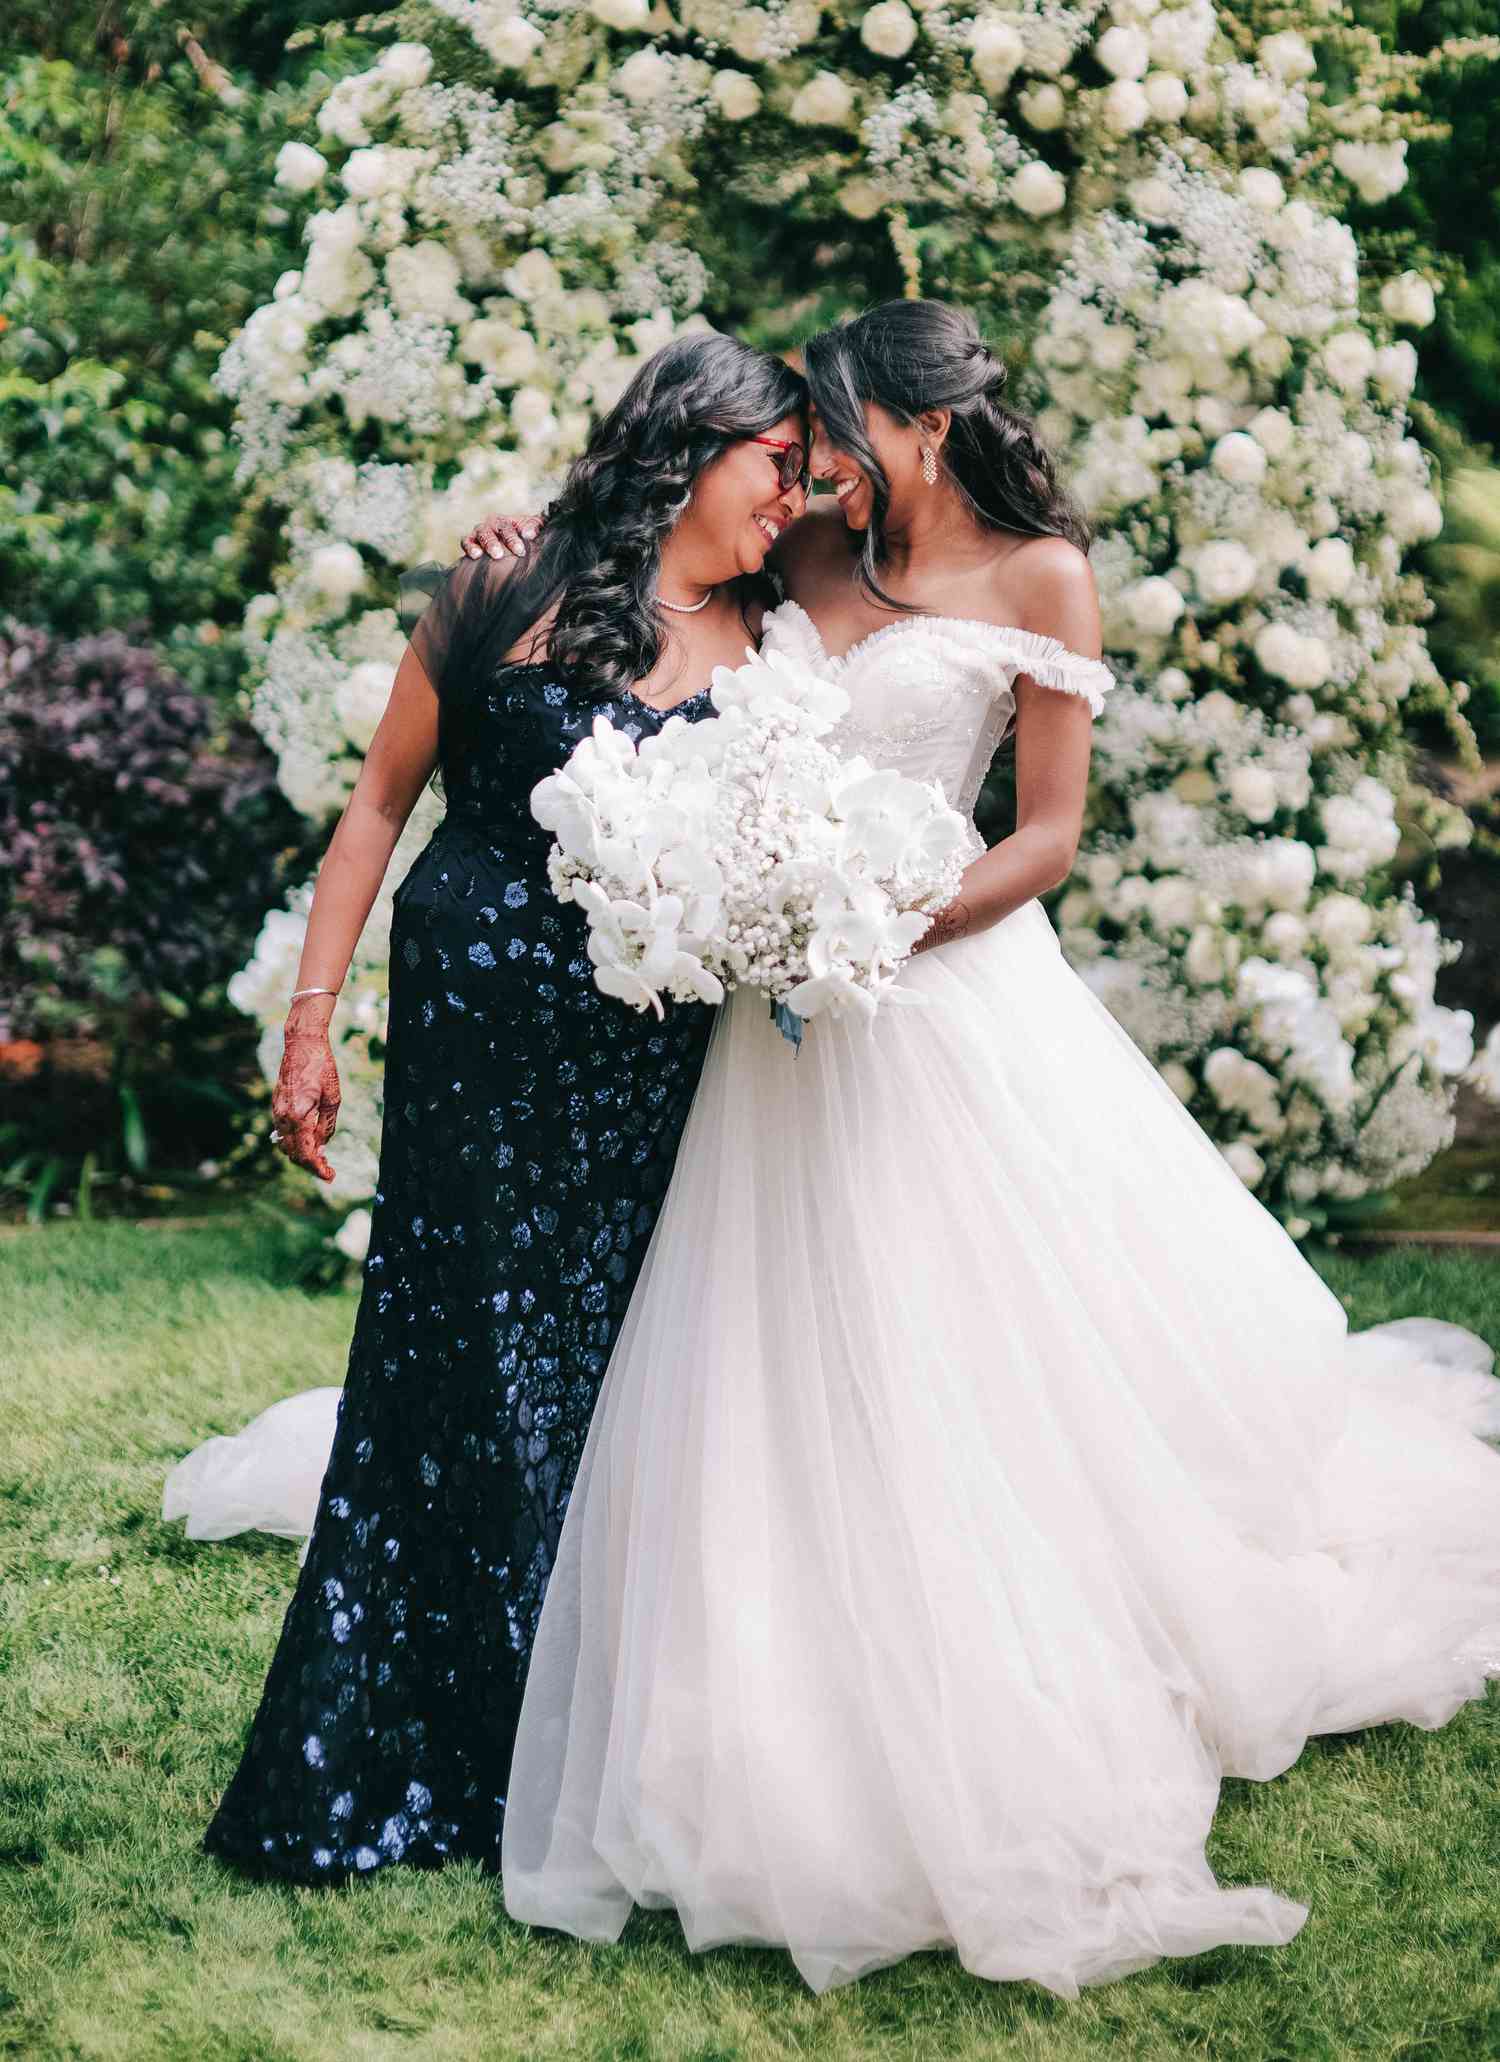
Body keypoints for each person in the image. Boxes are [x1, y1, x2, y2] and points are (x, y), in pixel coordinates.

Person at [471, 300, 1500, 1996]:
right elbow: (659, 559)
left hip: (935, 990)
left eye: (839, 430)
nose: (815, 461)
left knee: (961, 1342)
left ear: (927, 424)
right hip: (778, 1025)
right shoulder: (807, 550)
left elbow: (1047, 837)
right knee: (771, 1346)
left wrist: (878, 924)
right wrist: (525, 538)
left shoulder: (1042, 576)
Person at [161, 332, 811, 1884]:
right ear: (689, 441)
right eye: (775, 464)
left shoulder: (777, 625)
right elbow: (379, 802)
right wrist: (310, 1023)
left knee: (603, 1377)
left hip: (644, 1069)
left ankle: (572, 1742)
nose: (792, 496)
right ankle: (432, 1735)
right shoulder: (500, 585)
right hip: (470, 1052)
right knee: (453, 1368)